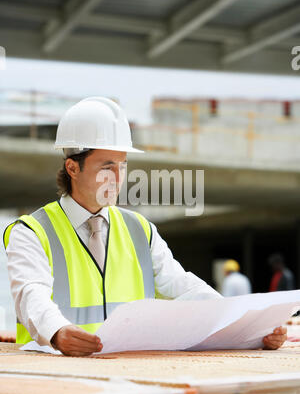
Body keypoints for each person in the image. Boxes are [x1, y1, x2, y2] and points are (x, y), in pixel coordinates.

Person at [4, 97, 287, 356]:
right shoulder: (31, 232)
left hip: (130, 374)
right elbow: (31, 295)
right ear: (73, 168)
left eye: (122, 165)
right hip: (61, 378)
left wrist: (246, 327)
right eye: (106, 166)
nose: (117, 177)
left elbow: (185, 288)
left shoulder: (140, 229)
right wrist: (56, 332)